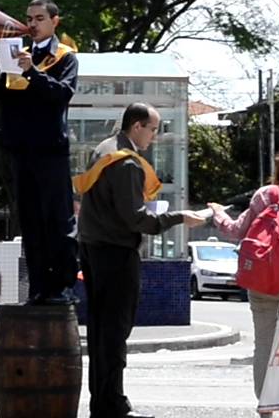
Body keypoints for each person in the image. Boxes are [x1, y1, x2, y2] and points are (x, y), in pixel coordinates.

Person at [73, 102, 206, 418]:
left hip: (93, 249)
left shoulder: (104, 149)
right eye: (153, 129)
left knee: (101, 331)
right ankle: (113, 405)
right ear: (137, 127)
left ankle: (103, 403)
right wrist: (178, 218)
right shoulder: (127, 162)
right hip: (116, 253)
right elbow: (134, 218)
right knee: (115, 331)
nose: (155, 137)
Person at [0, 0, 79, 304]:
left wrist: (31, 73)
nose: (32, 24)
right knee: (32, 223)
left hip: (51, 151)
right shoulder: (14, 52)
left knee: (58, 221)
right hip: (21, 151)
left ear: (54, 22)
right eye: (29, 18)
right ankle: (38, 288)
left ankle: (61, 287)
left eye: (38, 18)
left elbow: (62, 94)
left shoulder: (64, 57)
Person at [209, 145, 279, 418]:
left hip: (264, 280)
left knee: (264, 343)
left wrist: (218, 212)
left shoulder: (266, 195)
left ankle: (266, 409)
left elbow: (237, 230)